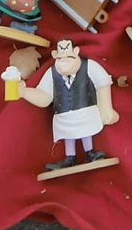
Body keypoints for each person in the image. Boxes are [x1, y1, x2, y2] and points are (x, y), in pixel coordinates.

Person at [17, 38, 118, 172]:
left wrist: (106, 108)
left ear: (76, 52)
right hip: (63, 116)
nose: (64, 59)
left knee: (86, 131)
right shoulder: (52, 73)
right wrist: (24, 92)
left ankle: (90, 152)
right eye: (60, 57)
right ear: (55, 55)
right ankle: (70, 157)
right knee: (68, 136)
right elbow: (45, 96)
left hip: (86, 112)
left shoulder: (89, 66)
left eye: (69, 56)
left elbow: (102, 82)